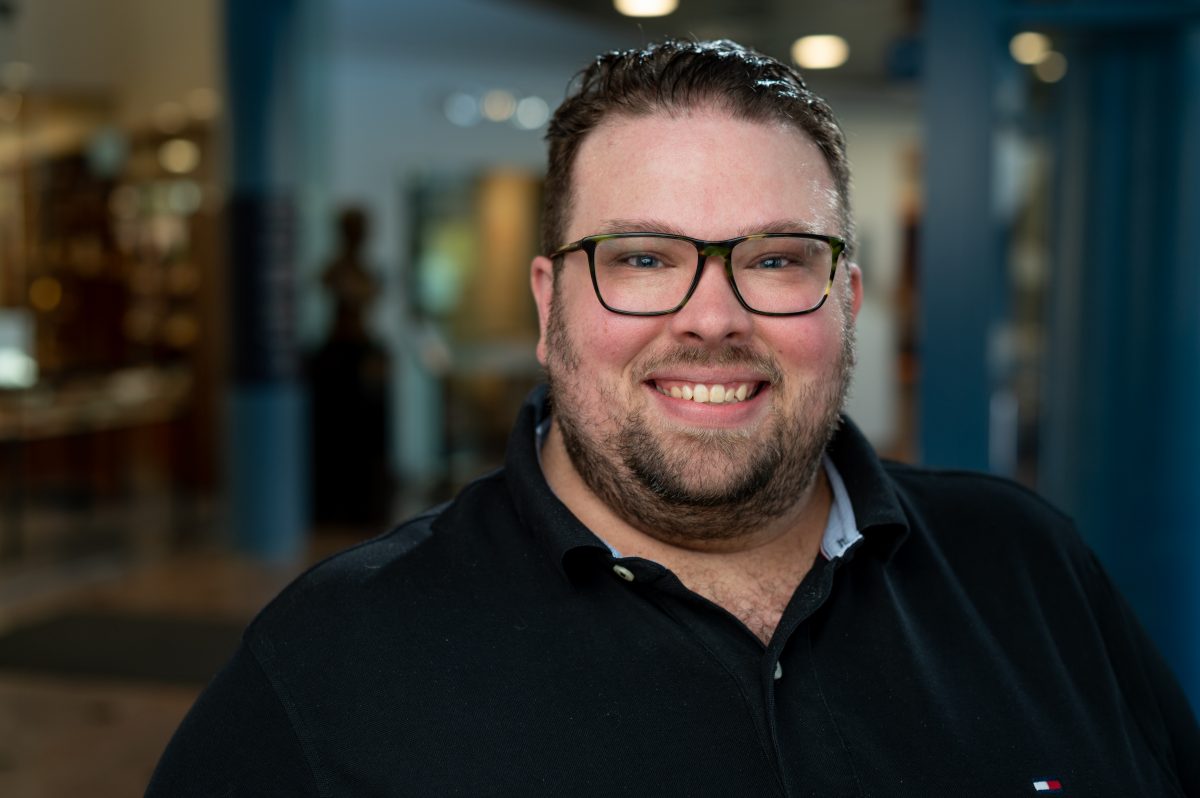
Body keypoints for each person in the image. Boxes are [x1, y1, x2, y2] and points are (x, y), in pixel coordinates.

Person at [147, 40, 1198, 796]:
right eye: (642, 259)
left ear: (849, 301)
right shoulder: (330, 665)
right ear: (550, 300)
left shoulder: (1029, 566)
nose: (711, 318)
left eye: (777, 260)